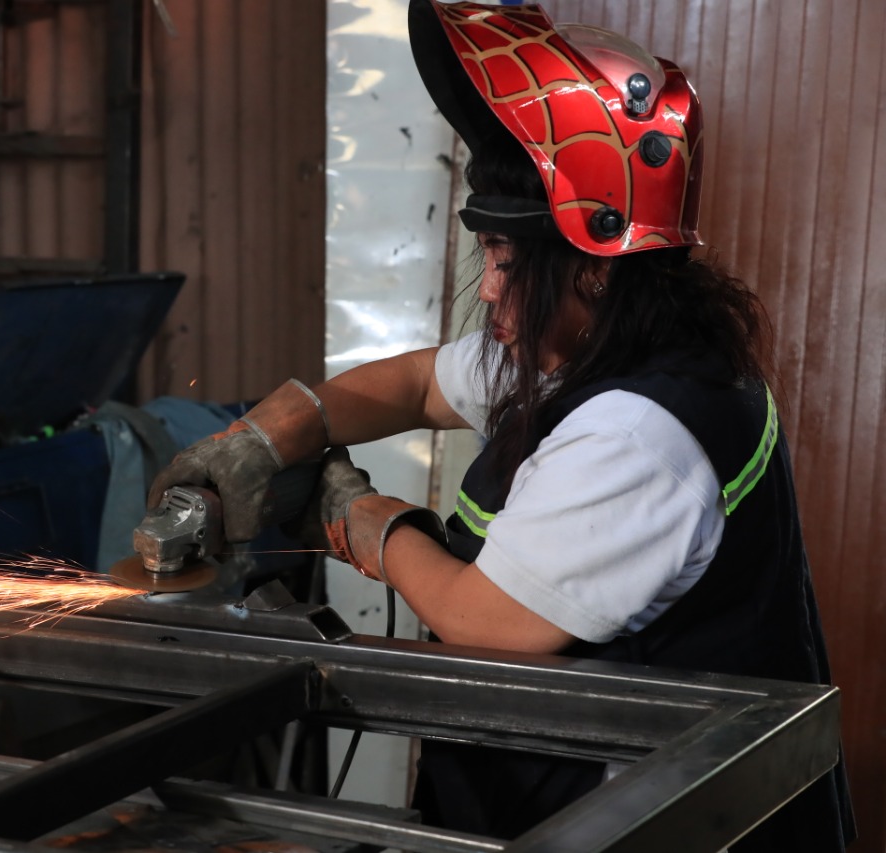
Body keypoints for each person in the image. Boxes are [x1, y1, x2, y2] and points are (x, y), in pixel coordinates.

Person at [147, 1, 855, 849]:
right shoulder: (599, 351)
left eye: (508, 263)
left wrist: (355, 514)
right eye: (486, 254)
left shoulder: (639, 433)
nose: (487, 289)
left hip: (651, 818)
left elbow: (486, 620)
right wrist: (274, 433)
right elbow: (417, 383)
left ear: (594, 268)